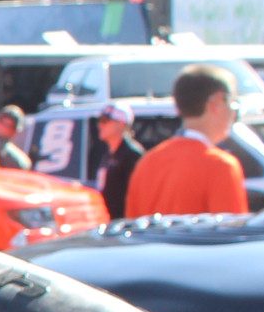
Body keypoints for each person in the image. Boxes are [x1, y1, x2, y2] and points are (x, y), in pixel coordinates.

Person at [126, 64, 250, 218]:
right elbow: (232, 235)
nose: (233, 112)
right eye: (233, 103)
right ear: (216, 102)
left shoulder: (147, 163)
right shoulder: (220, 166)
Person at [91, 102, 146, 220]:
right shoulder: (108, 155)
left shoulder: (132, 155)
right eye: (99, 120)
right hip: (108, 222)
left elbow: (138, 196)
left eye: (105, 120)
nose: (100, 125)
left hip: (124, 225)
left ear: (121, 124)